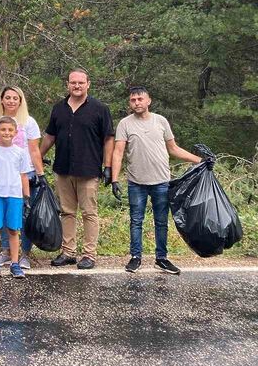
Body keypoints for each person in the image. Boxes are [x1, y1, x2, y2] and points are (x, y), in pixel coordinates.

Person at [111, 86, 205, 275]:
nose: (137, 102)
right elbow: (119, 151)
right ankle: (135, 257)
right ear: (130, 103)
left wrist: (201, 161)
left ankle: (161, 258)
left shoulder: (160, 121)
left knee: (161, 221)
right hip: (136, 182)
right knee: (136, 220)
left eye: (140, 99)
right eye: (133, 100)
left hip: (161, 181)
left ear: (148, 101)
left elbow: (174, 149)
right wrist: (114, 179)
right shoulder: (125, 124)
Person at [40, 69, 114, 270]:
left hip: (89, 169)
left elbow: (108, 139)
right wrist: (37, 156)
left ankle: (89, 254)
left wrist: (108, 167)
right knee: (67, 212)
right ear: (68, 85)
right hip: (63, 168)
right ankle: (68, 252)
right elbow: (50, 136)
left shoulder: (99, 109)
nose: (77, 86)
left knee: (89, 212)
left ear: (88, 84)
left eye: (81, 82)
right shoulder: (59, 109)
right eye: (73, 82)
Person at [0, 86, 46, 269]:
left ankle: (23, 253)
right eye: (8, 97)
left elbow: (34, 150)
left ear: (20, 101)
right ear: (1, 100)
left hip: (24, 173)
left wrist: (40, 174)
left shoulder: (29, 122)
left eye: (15, 98)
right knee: (0, 217)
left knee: (21, 216)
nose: (11, 101)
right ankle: (4, 252)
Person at [0, 116, 30, 279]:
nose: (6, 133)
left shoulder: (20, 152)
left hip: (14, 195)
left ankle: (15, 263)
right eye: (3, 129)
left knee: (13, 229)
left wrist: (26, 197)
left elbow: (24, 175)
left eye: (10, 130)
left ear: (16, 132)